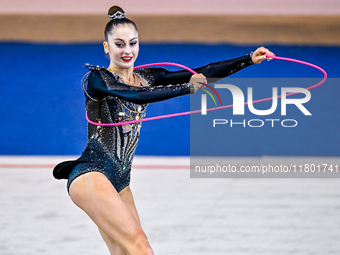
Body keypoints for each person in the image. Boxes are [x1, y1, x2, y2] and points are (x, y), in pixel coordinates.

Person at [53, 5, 274, 255]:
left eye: (133, 43)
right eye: (119, 44)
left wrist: (248, 59)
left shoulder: (149, 75)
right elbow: (136, 95)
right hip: (92, 174)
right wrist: (187, 88)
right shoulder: (98, 79)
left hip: (120, 181)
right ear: (106, 47)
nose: (127, 51)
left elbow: (201, 72)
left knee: (124, 251)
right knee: (142, 249)